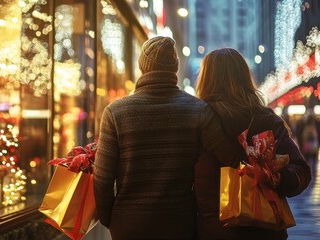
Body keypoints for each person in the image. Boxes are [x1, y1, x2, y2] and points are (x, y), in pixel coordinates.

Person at [93, 36, 247, 240]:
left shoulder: (115, 112)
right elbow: (231, 159)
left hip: (128, 224)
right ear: (174, 66)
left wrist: (109, 218)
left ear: (143, 66)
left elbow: (102, 178)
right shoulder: (198, 110)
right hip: (179, 223)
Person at [195, 48, 311, 240]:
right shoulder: (268, 120)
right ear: (245, 78)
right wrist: (274, 177)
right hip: (266, 231)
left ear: (206, 79)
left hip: (214, 231)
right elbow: (301, 172)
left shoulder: (197, 120)